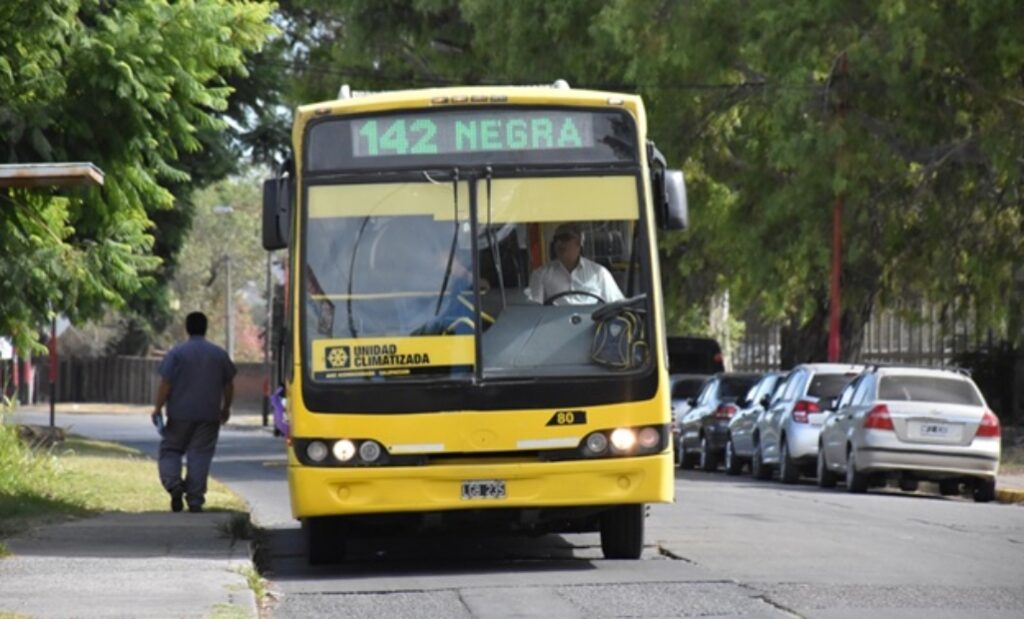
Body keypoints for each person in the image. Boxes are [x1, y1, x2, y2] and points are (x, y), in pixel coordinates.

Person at [152, 312, 237, 513]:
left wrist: (158, 407)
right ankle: (195, 499)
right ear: (205, 328)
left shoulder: (177, 353)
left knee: (171, 450)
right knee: (200, 454)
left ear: (187, 328)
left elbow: (166, 383)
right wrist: (225, 408)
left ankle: (174, 484)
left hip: (179, 414)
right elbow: (229, 384)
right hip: (209, 414)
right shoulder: (218, 354)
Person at [527, 223, 624, 305]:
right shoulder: (541, 274)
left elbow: (617, 304)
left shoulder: (599, 273)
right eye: (556, 239)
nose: (559, 243)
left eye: (565, 238)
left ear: (579, 242)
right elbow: (535, 310)